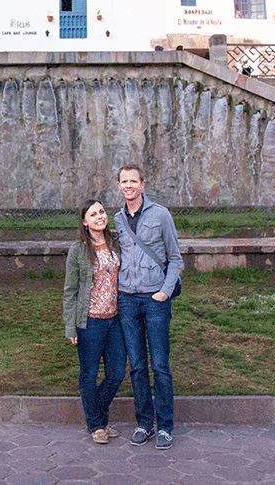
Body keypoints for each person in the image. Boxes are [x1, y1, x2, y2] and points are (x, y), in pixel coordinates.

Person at [114, 164, 182, 450]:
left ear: (143, 184)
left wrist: (164, 292)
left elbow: (176, 258)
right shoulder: (116, 219)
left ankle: (165, 426)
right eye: (124, 181)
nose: (129, 185)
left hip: (154, 299)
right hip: (127, 299)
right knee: (138, 366)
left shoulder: (161, 214)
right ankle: (144, 423)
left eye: (134, 181)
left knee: (160, 365)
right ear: (118, 186)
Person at [63, 200, 127, 445]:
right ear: (84, 222)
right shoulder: (78, 250)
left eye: (101, 211)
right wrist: (71, 325)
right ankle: (97, 425)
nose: (100, 216)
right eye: (93, 214)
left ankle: (96, 416)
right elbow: (70, 290)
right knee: (89, 375)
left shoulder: (116, 244)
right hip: (89, 322)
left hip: (115, 321)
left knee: (117, 373)